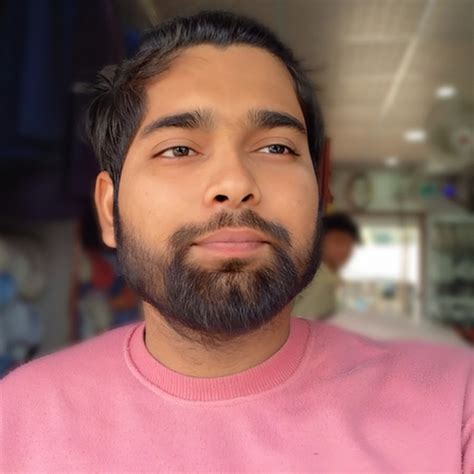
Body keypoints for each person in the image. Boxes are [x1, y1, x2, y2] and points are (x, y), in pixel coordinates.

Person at [1, 11, 472, 473]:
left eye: (276, 147)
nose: (234, 183)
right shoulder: (18, 420)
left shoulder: (455, 406)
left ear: (321, 190)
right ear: (109, 209)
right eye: (179, 149)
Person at [293, 212, 360, 320]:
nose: (345, 249)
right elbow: (304, 321)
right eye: (338, 241)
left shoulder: (330, 276)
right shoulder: (316, 277)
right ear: (318, 241)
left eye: (349, 244)